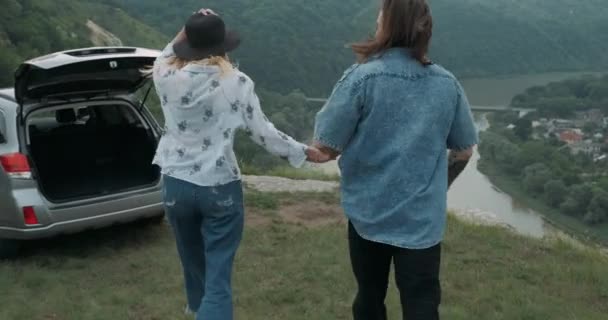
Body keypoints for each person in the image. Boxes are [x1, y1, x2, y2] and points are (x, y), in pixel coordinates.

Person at [151, 9, 328, 320]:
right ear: (222, 47)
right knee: (217, 276)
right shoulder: (236, 82)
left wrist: (190, 25)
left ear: (188, 45)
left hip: (176, 184)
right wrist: (305, 152)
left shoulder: (164, 75)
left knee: (193, 263)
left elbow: (167, 51)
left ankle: (198, 311)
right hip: (219, 186)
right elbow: (264, 134)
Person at [313, 0, 478, 319]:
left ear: (388, 26)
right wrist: (436, 189)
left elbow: (327, 144)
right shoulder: (446, 83)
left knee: (370, 296)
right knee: (422, 302)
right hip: (422, 220)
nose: (376, 22)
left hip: (368, 213)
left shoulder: (361, 78)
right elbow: (464, 150)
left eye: (379, 17)